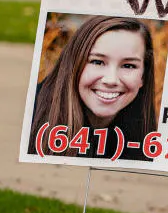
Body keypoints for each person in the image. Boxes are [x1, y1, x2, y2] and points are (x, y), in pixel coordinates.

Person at [28, 15, 158, 161]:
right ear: (73, 66)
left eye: (128, 65)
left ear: (143, 77)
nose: (111, 80)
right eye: (97, 62)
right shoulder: (30, 118)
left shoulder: (146, 138)